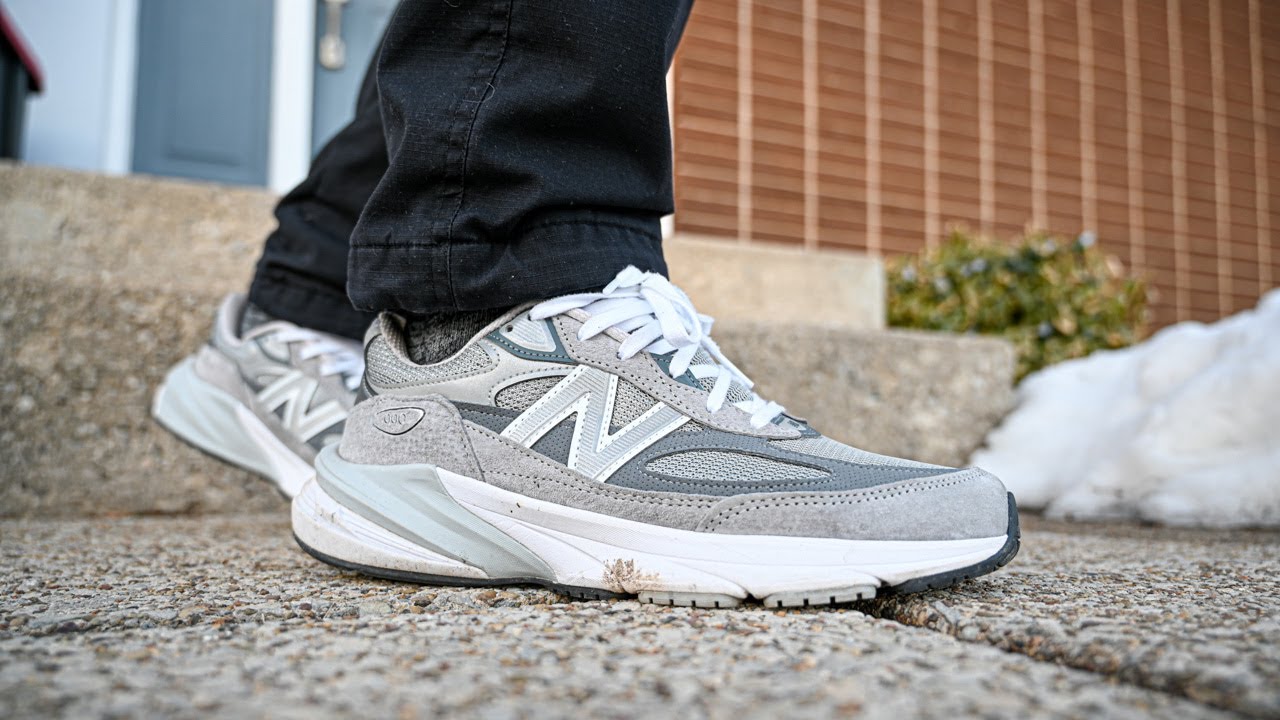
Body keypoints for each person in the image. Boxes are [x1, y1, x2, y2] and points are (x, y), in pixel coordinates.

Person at [154, 1, 1019, 607]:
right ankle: (510, 306)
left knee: (477, 53)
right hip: (496, 285)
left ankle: (347, 320)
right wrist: (530, 249)